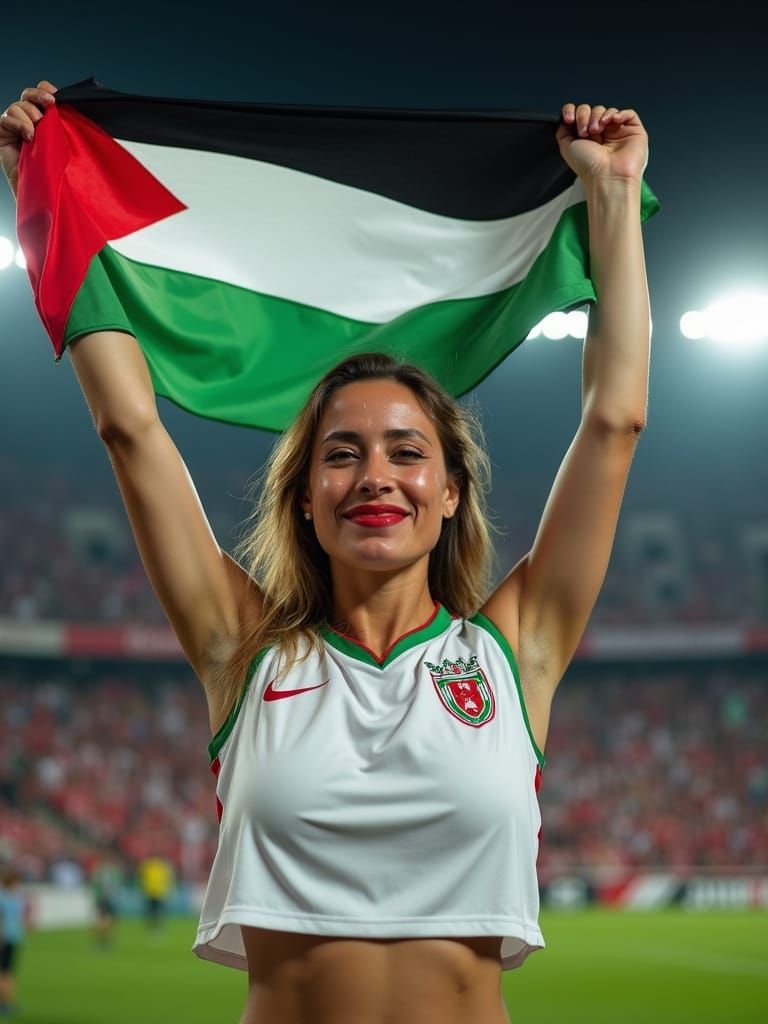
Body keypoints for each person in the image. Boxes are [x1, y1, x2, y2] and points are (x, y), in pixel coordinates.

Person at [1, 82, 650, 1024]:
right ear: (305, 499)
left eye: (407, 451)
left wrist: (615, 197)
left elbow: (614, 421)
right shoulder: (243, 651)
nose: (375, 476)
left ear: (452, 493)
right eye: (340, 455)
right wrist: (45, 200)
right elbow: (131, 427)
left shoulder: (516, 653)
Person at [0, 868, 26, 1017]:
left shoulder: (7, 896)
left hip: (10, 937)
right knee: (6, 971)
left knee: (6, 971)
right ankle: (5, 1003)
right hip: (8, 937)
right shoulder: (12, 897)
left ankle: (6, 1002)